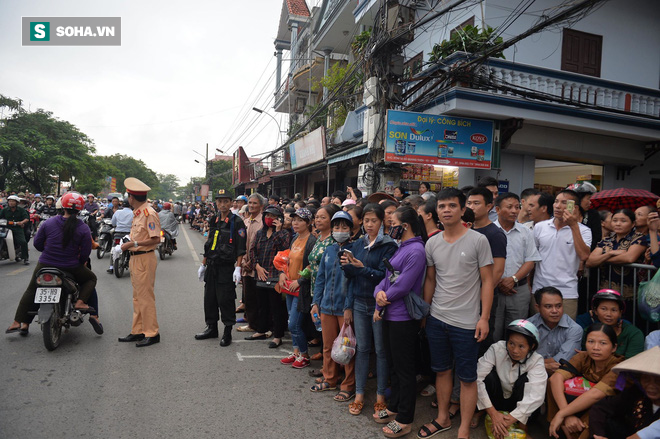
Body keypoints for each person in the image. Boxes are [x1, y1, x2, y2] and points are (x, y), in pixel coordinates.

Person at [420, 188, 494, 439]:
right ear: (436, 211)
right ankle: (442, 418)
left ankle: (463, 429)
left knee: (467, 377)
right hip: (437, 318)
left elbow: (487, 281)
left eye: (452, 206)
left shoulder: (478, 240)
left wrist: (484, 318)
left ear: (463, 210)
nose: (446, 210)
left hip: (467, 322)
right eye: (442, 206)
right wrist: (425, 313)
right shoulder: (432, 242)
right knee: (441, 371)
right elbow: (430, 280)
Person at [367, 206, 426, 438]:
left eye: (393, 224)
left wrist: (381, 302)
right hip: (391, 314)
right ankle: (393, 407)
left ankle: (405, 419)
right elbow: (386, 278)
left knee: (404, 369)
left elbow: (403, 285)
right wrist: (378, 295)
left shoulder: (417, 251)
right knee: (394, 364)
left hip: (403, 317)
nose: (390, 228)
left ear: (406, 225)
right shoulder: (402, 247)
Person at [6, 192, 97, 335]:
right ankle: (80, 302)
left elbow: (37, 244)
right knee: (91, 278)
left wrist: (47, 252)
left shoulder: (48, 222)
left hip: (45, 264)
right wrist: (78, 263)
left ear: (62, 206)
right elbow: (85, 253)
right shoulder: (83, 227)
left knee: (31, 290)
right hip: (71, 266)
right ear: (80, 209)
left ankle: (18, 322)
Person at [341, 203, 397, 417]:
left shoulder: (389, 245)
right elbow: (350, 278)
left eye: (374, 220)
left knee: (381, 351)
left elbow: (386, 276)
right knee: (362, 349)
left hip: (379, 304)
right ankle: (359, 395)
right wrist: (348, 304)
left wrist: (360, 268)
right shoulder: (357, 244)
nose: (370, 224)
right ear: (361, 222)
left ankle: (381, 396)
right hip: (358, 302)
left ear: (382, 222)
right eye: (366, 220)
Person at [548, 322, 624, 439]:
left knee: (599, 405)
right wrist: (567, 415)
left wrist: (562, 414)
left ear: (614, 347)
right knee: (552, 384)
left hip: (608, 409)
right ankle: (563, 428)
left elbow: (596, 395)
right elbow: (555, 378)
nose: (595, 347)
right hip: (577, 406)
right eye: (591, 342)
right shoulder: (584, 357)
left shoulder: (617, 366)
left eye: (603, 343)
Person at [310, 211, 356, 402]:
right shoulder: (329, 250)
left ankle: (348, 385)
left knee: (347, 348)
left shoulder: (356, 250)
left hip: (344, 308)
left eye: (344, 227)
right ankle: (330, 379)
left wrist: (349, 307)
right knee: (328, 346)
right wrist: (316, 302)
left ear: (351, 230)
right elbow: (321, 278)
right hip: (326, 307)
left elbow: (354, 281)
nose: (340, 231)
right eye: (337, 227)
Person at [476, 320, 547, 437]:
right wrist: (493, 414)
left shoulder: (536, 360)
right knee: (488, 377)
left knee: (525, 381)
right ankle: (484, 411)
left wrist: (507, 421)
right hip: (498, 399)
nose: (515, 350)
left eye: (521, 346)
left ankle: (522, 424)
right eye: (511, 343)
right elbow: (477, 378)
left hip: (517, 403)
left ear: (532, 346)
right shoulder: (497, 348)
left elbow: (536, 395)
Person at [195, 192, 246, 346]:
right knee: (209, 298)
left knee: (226, 299)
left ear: (231, 203)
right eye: (220, 202)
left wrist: (238, 268)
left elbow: (240, 247)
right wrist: (203, 264)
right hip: (212, 265)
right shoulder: (214, 219)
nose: (222, 204)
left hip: (226, 267)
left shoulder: (237, 222)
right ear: (216, 203)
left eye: (226, 201)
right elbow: (209, 243)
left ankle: (227, 331)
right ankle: (211, 328)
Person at [533, 189, 592, 320]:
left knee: (565, 331)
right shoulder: (540, 227)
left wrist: (574, 226)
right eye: (556, 201)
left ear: (574, 207)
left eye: (564, 203)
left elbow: (584, 255)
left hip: (567, 292)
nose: (558, 206)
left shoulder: (584, 231)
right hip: (540, 288)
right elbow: (532, 258)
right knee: (537, 331)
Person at [117, 178, 162, 347]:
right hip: (136, 258)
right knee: (137, 297)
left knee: (145, 298)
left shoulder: (148, 213)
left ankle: (152, 333)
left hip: (144, 257)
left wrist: (133, 244)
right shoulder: (138, 213)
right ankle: (138, 331)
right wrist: (128, 242)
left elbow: (156, 239)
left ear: (131, 198)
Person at [494, 193, 541, 341]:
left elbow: (530, 260)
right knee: (493, 332)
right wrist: (500, 282)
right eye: (509, 207)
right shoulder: (490, 232)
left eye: (517, 207)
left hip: (518, 289)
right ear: (497, 209)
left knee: (517, 333)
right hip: (494, 289)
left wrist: (513, 279)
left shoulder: (525, 232)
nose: (514, 211)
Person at [589, 346, 660, 439]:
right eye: (646, 379)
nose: (651, 385)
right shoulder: (636, 392)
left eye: (658, 380)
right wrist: (598, 436)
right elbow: (601, 408)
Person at [246, 205, 290, 347]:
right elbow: (252, 251)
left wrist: (277, 231)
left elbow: (284, 251)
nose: (269, 219)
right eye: (267, 216)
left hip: (276, 275)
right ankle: (261, 330)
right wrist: (256, 266)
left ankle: (277, 336)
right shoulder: (260, 233)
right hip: (261, 274)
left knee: (276, 307)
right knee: (262, 305)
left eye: (272, 216)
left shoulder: (284, 234)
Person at [586, 209, 647, 311]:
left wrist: (602, 258)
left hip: (630, 293)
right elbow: (590, 261)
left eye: (623, 221)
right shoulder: (606, 240)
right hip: (606, 291)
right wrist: (610, 253)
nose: (618, 224)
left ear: (633, 224)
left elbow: (629, 258)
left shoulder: (639, 239)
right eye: (615, 220)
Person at [279, 208, 316, 368]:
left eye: (300, 220)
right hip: (290, 287)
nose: (295, 223)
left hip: (302, 289)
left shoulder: (312, 241)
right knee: (290, 319)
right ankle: (296, 353)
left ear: (308, 223)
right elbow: (288, 260)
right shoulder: (294, 239)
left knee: (294, 324)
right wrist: (282, 273)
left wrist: (300, 281)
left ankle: (305, 355)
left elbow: (313, 266)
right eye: (294, 220)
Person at [305, 204, 339, 368]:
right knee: (321, 328)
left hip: (329, 291)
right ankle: (327, 365)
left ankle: (332, 369)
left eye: (322, 217)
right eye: (317, 217)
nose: (318, 220)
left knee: (330, 332)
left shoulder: (334, 241)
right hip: (316, 288)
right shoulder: (319, 237)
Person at [528, 287, 583, 376]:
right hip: (531, 373)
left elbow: (563, 360)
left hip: (562, 373)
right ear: (538, 308)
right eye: (548, 306)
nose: (555, 311)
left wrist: (531, 363)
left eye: (558, 306)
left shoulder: (574, 329)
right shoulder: (528, 326)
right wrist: (544, 366)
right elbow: (519, 357)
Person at [577, 289, 644, 359]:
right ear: (595, 310)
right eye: (603, 309)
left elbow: (632, 364)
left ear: (620, 313)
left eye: (614, 310)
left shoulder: (634, 334)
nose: (608, 314)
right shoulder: (588, 331)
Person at [238, 193, 265, 332]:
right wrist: (243, 261)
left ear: (261, 206)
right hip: (245, 265)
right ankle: (252, 323)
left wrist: (254, 262)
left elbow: (263, 246)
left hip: (259, 266)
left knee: (258, 297)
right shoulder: (246, 222)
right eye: (250, 203)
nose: (252, 206)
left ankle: (260, 325)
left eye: (255, 203)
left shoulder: (263, 222)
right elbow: (241, 243)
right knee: (248, 296)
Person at [0, 195, 30, 264]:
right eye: (10, 201)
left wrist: (21, 222)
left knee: (23, 242)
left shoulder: (21, 210)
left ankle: (25, 258)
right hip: (6, 228)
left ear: (17, 203)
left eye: (13, 201)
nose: (11, 203)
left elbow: (26, 218)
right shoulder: (4, 210)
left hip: (17, 228)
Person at [108, 198, 133, 273]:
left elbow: (113, 223)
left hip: (118, 233)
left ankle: (111, 267)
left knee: (113, 249)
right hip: (129, 234)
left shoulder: (117, 212)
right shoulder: (133, 213)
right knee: (131, 249)